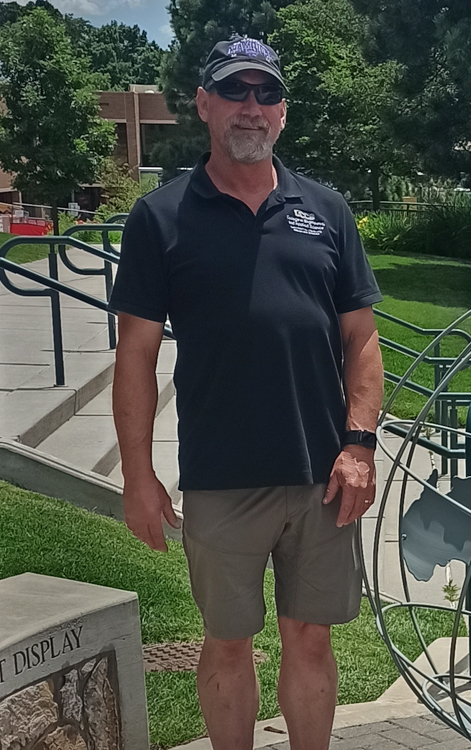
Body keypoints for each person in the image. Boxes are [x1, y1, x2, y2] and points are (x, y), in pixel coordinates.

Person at [110, 36, 384, 750]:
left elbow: (362, 340)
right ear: (203, 104)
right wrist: (138, 477)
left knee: (311, 638)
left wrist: (358, 445)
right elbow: (135, 357)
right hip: (221, 476)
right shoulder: (160, 217)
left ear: (283, 113)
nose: (251, 108)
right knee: (227, 642)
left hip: (321, 473)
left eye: (266, 94)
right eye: (235, 91)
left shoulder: (325, 211)